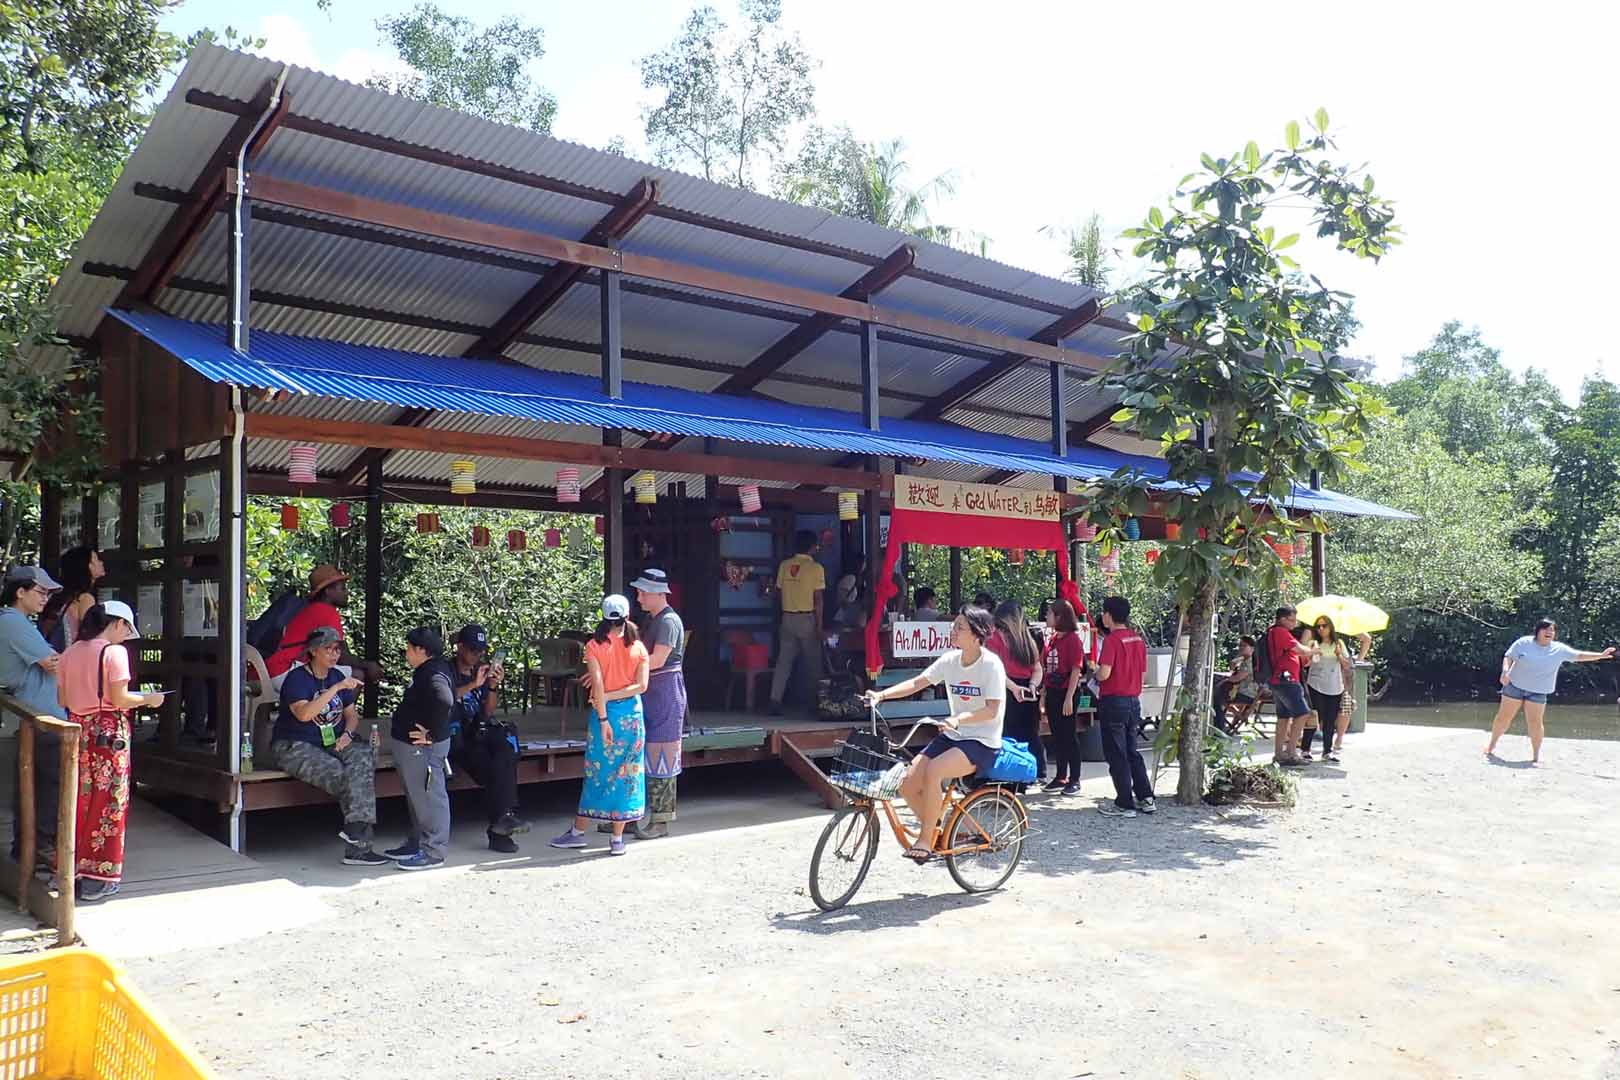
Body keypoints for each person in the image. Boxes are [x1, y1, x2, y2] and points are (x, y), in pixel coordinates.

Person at [863, 606, 1005, 863]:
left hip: (982, 741)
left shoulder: (991, 665)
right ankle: (937, 824)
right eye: (955, 625)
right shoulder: (951, 660)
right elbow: (919, 682)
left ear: (977, 635)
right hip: (954, 735)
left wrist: (958, 718)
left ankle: (927, 838)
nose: (953, 630)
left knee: (935, 771)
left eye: (959, 627)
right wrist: (881, 695)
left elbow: (992, 710)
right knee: (906, 783)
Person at [57, 601, 162, 902]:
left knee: (79, 799)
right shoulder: (114, 653)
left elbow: (62, 696)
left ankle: (71, 869)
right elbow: (121, 698)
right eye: (126, 629)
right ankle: (100, 875)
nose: (126, 635)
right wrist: (149, 699)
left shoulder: (70, 652)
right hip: (109, 733)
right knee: (110, 803)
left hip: (77, 731)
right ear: (117, 624)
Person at [272, 626, 387, 866]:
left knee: (363, 758)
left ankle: (355, 832)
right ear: (313, 652)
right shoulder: (298, 679)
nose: (334, 655)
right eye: (328, 649)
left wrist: (347, 733)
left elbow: (352, 715)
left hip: (332, 742)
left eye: (337, 649)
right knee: (347, 778)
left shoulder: (336, 675)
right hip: (295, 745)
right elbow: (304, 714)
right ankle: (359, 848)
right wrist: (335, 689)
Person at [550, 595, 649, 856]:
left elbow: (597, 684)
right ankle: (617, 840)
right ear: (628, 616)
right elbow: (642, 686)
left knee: (597, 773)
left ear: (603, 617)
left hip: (605, 716)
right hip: (633, 716)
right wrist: (615, 694)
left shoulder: (593, 646)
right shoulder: (638, 647)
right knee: (627, 773)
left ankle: (578, 832)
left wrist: (604, 711)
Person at [2, 567, 66, 864]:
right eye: (41, 592)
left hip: (35, 716)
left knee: (37, 786)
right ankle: (41, 851)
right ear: (20, 592)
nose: (45, 598)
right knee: (50, 787)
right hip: (40, 717)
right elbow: (51, 661)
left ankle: (27, 850)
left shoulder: (16, 622)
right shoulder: (14, 622)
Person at [1486, 618, 1614, 764]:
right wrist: (1505, 671)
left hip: (1538, 692)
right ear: (1538, 631)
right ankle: (1492, 744)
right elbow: (1509, 656)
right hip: (1515, 686)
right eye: (1546, 629)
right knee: (1503, 718)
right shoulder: (1524, 643)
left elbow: (1579, 655)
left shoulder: (1559, 649)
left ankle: (1536, 755)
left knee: (1535, 722)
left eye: (1552, 630)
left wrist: (1601, 655)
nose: (1549, 632)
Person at [446, 624, 524, 854]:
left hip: (478, 729)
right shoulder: (446, 670)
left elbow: (488, 712)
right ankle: (502, 826)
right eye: (472, 650)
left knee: (506, 743)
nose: (476, 655)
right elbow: (440, 699)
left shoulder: (480, 669)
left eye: (480, 651)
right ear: (459, 647)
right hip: (455, 735)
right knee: (495, 770)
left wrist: (491, 686)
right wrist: (473, 685)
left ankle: (503, 820)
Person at [383, 628, 456, 871]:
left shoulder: (433, 673)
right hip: (412, 747)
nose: (406, 653)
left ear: (421, 650)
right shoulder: (430, 670)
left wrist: (432, 734)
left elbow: (444, 700)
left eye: (409, 648)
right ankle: (417, 843)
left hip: (423, 748)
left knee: (430, 796)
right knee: (418, 796)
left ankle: (433, 851)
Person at [264, 565, 380, 691]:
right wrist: (369, 666)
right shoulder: (326, 612)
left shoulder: (313, 609)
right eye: (342, 588)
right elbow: (341, 657)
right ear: (328, 591)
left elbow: (339, 652)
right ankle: (344, 711)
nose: (346, 593)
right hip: (286, 670)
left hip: (274, 670)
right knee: (356, 675)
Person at [1091, 596, 1155, 817]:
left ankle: (1124, 803)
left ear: (1109, 615)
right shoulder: (1137, 639)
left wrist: (1095, 672)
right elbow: (1143, 673)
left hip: (1113, 701)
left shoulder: (1112, 640)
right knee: (1131, 750)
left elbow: (1105, 672)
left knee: (1116, 753)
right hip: (1133, 701)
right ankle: (1146, 797)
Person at [633, 570, 686, 839]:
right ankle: (634, 815)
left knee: (662, 756)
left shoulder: (668, 622)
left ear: (657, 593)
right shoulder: (651, 620)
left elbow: (657, 660)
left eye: (643, 592)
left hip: (665, 692)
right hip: (649, 691)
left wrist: (622, 668)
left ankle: (661, 821)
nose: (639, 597)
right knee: (643, 755)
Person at [986, 600, 1045, 781]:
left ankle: (1010, 775)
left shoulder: (995, 638)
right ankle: (1036, 771)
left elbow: (995, 670)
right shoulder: (1028, 638)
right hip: (1025, 688)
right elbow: (1037, 669)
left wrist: (1016, 688)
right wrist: (1032, 686)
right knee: (1029, 734)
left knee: (1008, 735)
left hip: (1008, 688)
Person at [768, 531, 825, 716]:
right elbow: (818, 600)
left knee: (783, 662)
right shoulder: (816, 568)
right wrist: (819, 626)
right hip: (807, 619)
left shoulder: (784, 566)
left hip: (787, 618)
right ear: (812, 546)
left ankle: (775, 700)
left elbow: (777, 592)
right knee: (813, 664)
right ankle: (816, 703)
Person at [1040, 598, 1086, 795]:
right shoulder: (1053, 639)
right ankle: (1060, 776)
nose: (1046, 616)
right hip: (1053, 691)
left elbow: (1076, 670)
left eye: (1050, 613)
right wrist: (1043, 695)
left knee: (1069, 735)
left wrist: (1069, 697)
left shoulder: (1073, 640)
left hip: (1067, 692)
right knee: (1057, 736)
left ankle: (1074, 778)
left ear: (1060, 616)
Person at [1303, 616, 1362, 764]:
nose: (1321, 629)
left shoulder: (1339, 643)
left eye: (1324, 626)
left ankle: (1327, 751)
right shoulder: (1313, 643)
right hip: (1315, 684)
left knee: (1330, 719)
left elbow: (1347, 665)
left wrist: (1339, 655)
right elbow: (1305, 664)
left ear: (1331, 627)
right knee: (1314, 717)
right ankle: (1305, 749)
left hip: (1335, 686)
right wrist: (1312, 653)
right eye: (1318, 626)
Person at [1266, 606, 1318, 768]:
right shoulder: (1280, 632)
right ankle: (1290, 753)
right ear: (1282, 619)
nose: (1294, 624)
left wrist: (1306, 656)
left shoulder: (1275, 633)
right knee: (1303, 714)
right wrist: (1312, 650)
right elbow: (1300, 649)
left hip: (1279, 680)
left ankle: (1279, 754)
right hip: (1286, 680)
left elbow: (1296, 655)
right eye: (1292, 620)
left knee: (1283, 717)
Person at [39, 546, 104, 651]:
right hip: (71, 659)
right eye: (96, 559)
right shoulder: (85, 599)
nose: (101, 563)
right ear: (87, 566)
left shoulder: (56, 596)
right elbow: (90, 636)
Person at [1213, 636, 1260, 733]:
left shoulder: (1250, 662)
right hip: (1244, 692)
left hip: (1247, 694)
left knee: (1216, 697)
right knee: (1218, 694)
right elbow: (1233, 670)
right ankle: (1234, 718)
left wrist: (1225, 679)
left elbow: (1237, 678)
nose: (1241, 648)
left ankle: (1219, 727)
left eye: (1244, 645)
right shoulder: (1246, 660)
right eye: (1240, 645)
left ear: (1252, 648)